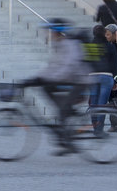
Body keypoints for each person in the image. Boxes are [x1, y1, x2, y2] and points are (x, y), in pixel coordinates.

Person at [27, 19, 90, 151]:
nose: (48, 34)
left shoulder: (70, 45)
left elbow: (69, 66)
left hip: (79, 81)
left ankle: (69, 143)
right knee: (47, 89)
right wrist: (38, 78)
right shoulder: (59, 45)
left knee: (63, 108)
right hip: (68, 80)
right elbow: (53, 66)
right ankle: (66, 115)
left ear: (57, 32)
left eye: (50, 32)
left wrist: (50, 78)